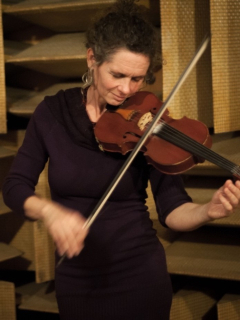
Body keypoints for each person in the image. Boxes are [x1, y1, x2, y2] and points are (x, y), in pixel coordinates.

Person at [2, 0, 240, 319]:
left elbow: (172, 210)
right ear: (92, 59)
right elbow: (15, 187)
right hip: (76, 281)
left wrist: (207, 212)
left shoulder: (150, 124)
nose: (126, 89)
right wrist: (50, 212)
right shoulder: (52, 112)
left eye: (138, 79)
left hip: (140, 277)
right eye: (118, 74)